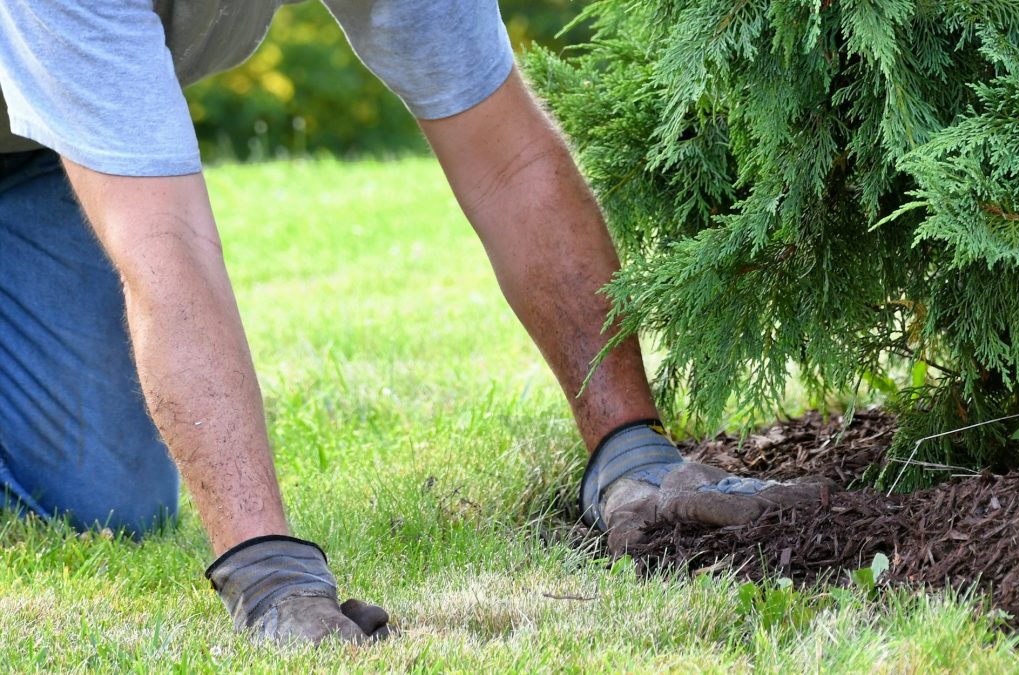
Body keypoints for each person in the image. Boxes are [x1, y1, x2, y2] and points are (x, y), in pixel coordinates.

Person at [0, 0, 831, 646]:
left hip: (34, 152)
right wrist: (266, 569)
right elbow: (167, 247)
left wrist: (631, 450)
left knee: (103, 498)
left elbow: (507, 157)